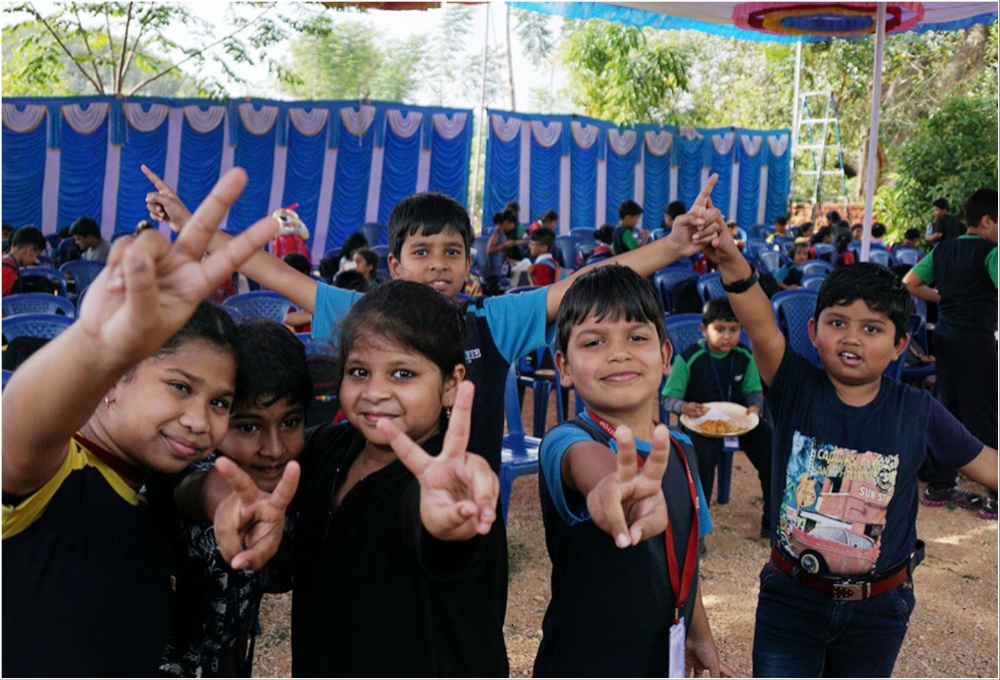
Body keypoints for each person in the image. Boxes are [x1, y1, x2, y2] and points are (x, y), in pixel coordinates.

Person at [141, 164, 724, 480]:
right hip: (374, 486)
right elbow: (270, 271)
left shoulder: (497, 319)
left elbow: (588, 282)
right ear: (394, 264)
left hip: (472, 499)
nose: (439, 265)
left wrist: (673, 245)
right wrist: (193, 226)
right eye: (422, 252)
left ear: (469, 263)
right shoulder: (362, 313)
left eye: (452, 252)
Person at [2, 168, 296, 677]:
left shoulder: (146, 482)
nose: (199, 420)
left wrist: (220, 497)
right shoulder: (49, 474)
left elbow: (189, 489)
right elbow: (16, 439)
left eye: (221, 403)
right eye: (180, 387)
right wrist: (95, 350)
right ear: (114, 381)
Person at [702, 217, 998, 677]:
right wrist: (729, 256)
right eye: (838, 322)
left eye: (873, 328)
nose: (852, 337)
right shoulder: (793, 385)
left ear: (901, 344)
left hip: (878, 609)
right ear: (815, 329)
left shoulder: (918, 412)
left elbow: (989, 466)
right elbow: (759, 324)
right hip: (791, 599)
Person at [203, 280, 506, 675]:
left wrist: (448, 527)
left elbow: (441, 535)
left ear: (451, 384)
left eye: (402, 373)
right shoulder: (330, 447)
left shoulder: (448, 484)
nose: (375, 392)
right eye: (360, 371)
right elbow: (259, 463)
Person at [535, 265, 729, 678]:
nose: (617, 353)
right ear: (564, 367)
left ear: (664, 357)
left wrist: (698, 637)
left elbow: (685, 560)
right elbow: (592, 469)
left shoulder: (681, 448)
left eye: (636, 337)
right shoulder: (566, 442)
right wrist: (613, 485)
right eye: (593, 342)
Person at [161, 318, 310, 677]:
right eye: (248, 427)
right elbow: (193, 489)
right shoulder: (186, 465)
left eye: (290, 422)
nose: (274, 449)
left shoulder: (282, 491)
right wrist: (223, 500)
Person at [903, 187, 998, 519]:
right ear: (987, 220)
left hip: (944, 336)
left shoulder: (942, 250)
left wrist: (945, 300)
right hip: (977, 339)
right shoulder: (991, 252)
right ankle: (995, 494)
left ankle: (940, 484)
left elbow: (910, 283)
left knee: (948, 408)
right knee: (986, 411)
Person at [662, 297, 773, 538]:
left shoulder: (744, 355)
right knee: (700, 462)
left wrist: (755, 406)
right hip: (699, 424)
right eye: (720, 329)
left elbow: (754, 392)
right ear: (704, 329)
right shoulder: (689, 358)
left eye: (734, 330)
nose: (727, 336)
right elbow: (668, 398)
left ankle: (772, 520)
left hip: (738, 421)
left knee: (771, 450)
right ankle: (696, 531)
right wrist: (684, 407)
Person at [482, 208, 526, 295]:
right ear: (506, 222)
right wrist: (505, 246)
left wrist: (509, 260)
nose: (513, 226)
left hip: (498, 269)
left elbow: (501, 252)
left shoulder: (502, 234)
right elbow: (489, 250)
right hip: (492, 270)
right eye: (512, 223)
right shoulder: (496, 233)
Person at [1, 225, 46, 296]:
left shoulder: (4, 259)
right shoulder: (7, 271)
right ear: (30, 250)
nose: (35, 260)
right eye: (36, 256)